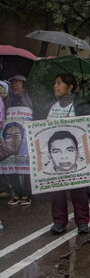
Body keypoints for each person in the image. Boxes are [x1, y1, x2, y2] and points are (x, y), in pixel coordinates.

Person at [38, 73, 90, 235]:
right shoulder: (51, 106)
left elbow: (89, 126)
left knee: (78, 190)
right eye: (55, 83)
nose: (55, 86)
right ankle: (59, 221)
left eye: (60, 83)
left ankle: (82, 222)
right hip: (56, 158)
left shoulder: (82, 105)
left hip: (74, 156)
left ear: (70, 87)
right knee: (57, 190)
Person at [4, 75, 33, 206]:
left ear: (24, 84)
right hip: (9, 137)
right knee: (10, 163)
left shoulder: (31, 98)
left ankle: (27, 193)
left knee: (27, 165)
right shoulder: (7, 99)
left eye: (17, 83)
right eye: (12, 83)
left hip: (27, 137)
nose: (14, 86)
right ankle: (16, 192)